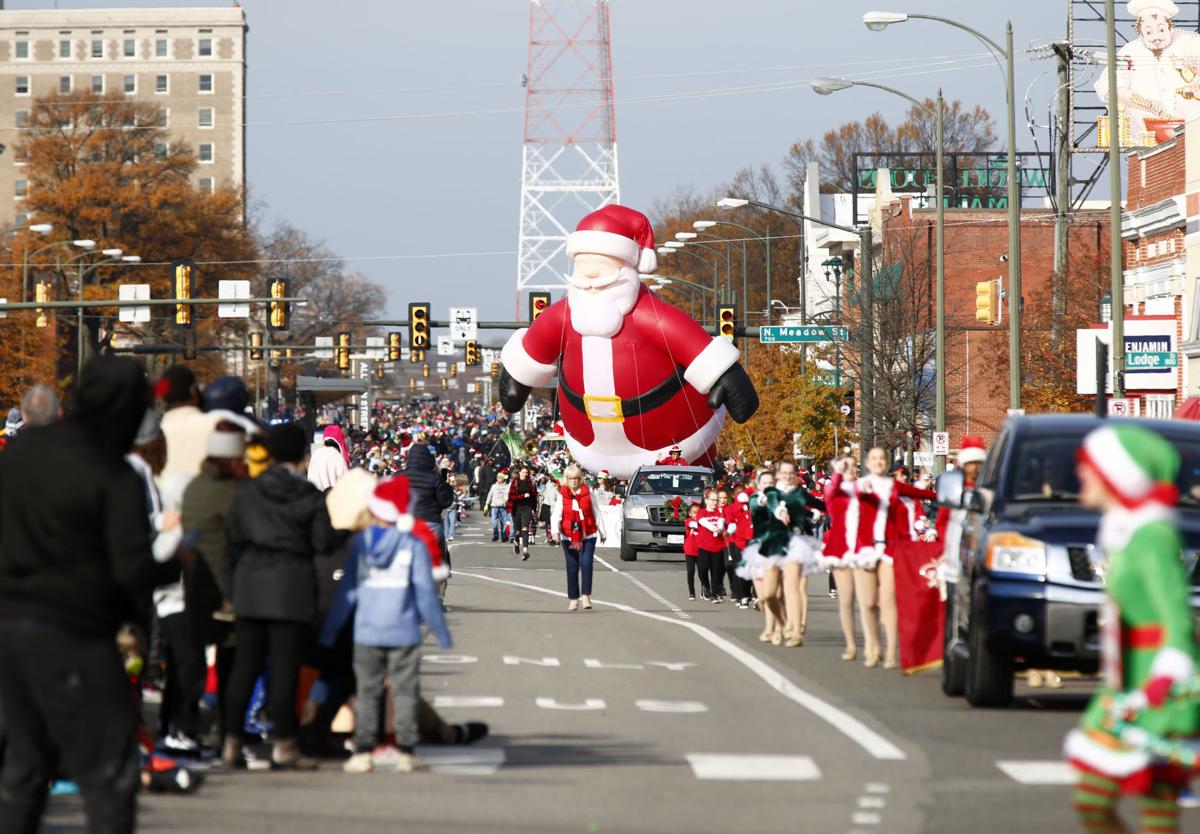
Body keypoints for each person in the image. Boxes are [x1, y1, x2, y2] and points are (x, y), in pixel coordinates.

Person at [0, 357, 176, 834]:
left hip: (10, 631)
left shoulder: (20, 454)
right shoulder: (111, 474)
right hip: (75, 633)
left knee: (26, 765)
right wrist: (180, 564)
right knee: (108, 770)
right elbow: (133, 569)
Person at [1065, 424, 1198, 834]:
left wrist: (1164, 681)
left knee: (1157, 810)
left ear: (1115, 475)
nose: (1081, 475)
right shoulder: (1124, 533)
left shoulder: (1152, 537)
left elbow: (1176, 616)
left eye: (1089, 468)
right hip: (1123, 687)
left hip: (1157, 688)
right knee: (1091, 800)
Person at [221, 422, 346, 770]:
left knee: (244, 667)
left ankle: (231, 741)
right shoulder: (306, 495)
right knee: (284, 669)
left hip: (249, 585)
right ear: (302, 456)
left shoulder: (246, 492)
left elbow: (231, 542)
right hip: (291, 587)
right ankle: (284, 743)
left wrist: (230, 589)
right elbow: (323, 543)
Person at [321, 477, 452, 774]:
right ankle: (406, 751)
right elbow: (424, 591)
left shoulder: (360, 545)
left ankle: (364, 750)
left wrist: (331, 628)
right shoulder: (412, 546)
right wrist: (440, 630)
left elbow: (348, 592)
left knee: (367, 690)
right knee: (404, 690)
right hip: (403, 629)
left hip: (367, 629)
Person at [180, 421, 249, 747]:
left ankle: (186, 726)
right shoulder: (234, 491)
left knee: (192, 661)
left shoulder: (194, 486)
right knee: (231, 663)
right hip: (228, 591)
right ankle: (228, 730)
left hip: (194, 585)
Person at [839, 447, 936, 669]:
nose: (879, 462)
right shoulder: (859, 486)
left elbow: (923, 494)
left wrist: (949, 497)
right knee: (869, 603)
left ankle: (892, 650)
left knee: (888, 600)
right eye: (874, 458)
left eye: (882, 458)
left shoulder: (893, 486)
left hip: (890, 549)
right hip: (865, 548)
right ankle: (874, 646)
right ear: (867, 462)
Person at [774, 460, 826, 647]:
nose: (787, 476)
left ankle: (797, 630)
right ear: (777, 474)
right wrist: (780, 511)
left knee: (794, 585)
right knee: (778, 589)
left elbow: (821, 505)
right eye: (784, 472)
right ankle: (788, 622)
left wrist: (817, 514)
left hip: (797, 541)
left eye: (791, 473)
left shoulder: (800, 493)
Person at [736, 470, 787, 646]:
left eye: (770, 483)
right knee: (763, 597)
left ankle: (779, 625)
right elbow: (759, 505)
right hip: (757, 550)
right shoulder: (754, 499)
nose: (767, 486)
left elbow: (781, 507)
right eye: (764, 483)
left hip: (776, 548)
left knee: (775, 594)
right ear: (758, 485)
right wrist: (767, 501)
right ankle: (770, 626)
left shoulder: (780, 498)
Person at [821, 455, 860, 661]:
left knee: (869, 601)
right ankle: (851, 644)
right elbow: (831, 491)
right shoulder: (833, 490)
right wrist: (838, 471)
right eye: (846, 467)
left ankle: (874, 643)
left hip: (864, 547)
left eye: (853, 467)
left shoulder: (866, 488)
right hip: (842, 547)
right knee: (847, 599)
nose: (850, 470)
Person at [550, 465, 603, 611]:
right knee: (572, 567)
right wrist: (555, 531)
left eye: (576, 479)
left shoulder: (588, 494)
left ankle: (585, 595)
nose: (573, 482)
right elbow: (556, 515)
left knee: (586, 564)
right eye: (570, 479)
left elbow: (597, 513)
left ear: (580, 479)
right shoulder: (563, 495)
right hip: (569, 536)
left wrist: (603, 533)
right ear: (566, 480)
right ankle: (573, 598)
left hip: (588, 535)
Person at [694, 489, 729, 603]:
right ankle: (706, 585)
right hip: (704, 546)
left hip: (717, 546)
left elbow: (721, 522)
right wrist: (713, 528)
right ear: (707, 500)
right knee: (703, 569)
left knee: (716, 571)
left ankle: (714, 594)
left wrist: (718, 528)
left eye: (716, 500)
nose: (715, 502)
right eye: (713, 500)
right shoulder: (701, 512)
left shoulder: (719, 512)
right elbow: (704, 522)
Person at [308, 424, 350, 491]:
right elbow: (346, 484)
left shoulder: (316, 454)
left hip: (316, 498)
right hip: (334, 498)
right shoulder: (339, 458)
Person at [508, 464, 538, 560]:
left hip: (527, 508)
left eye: (526, 473)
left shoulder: (530, 483)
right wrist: (522, 496)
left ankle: (525, 551)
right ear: (519, 473)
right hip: (516, 508)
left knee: (525, 529)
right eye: (523, 472)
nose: (525, 474)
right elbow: (511, 497)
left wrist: (535, 506)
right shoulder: (515, 482)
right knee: (517, 531)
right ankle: (516, 543)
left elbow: (533, 496)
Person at [683, 502, 702, 600]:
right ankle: (692, 593)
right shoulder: (688, 521)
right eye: (694, 512)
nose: (696, 515)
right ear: (690, 513)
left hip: (701, 551)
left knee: (702, 572)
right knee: (691, 571)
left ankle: (705, 589)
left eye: (699, 512)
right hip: (690, 551)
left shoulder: (703, 522)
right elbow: (693, 524)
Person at [486, 472, 512, 543]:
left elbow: (508, 496)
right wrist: (486, 504)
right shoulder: (494, 486)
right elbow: (490, 495)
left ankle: (504, 536)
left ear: (503, 478)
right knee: (494, 522)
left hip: (503, 507)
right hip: (494, 506)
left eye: (500, 477)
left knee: (504, 522)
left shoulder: (507, 486)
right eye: (497, 477)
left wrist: (506, 502)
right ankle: (495, 535)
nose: (498, 479)